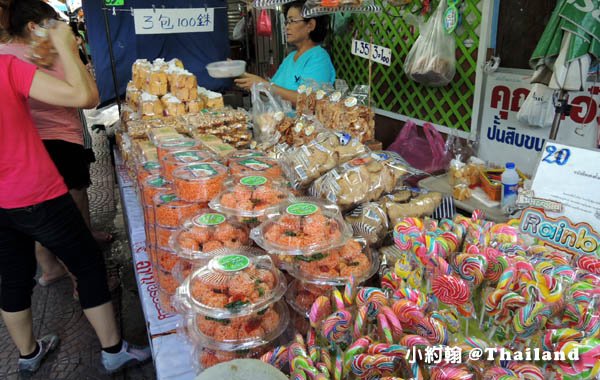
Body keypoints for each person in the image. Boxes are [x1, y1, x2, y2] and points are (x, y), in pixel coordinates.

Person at [0, 11, 151, 377]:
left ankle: (28, 353)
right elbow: (85, 96)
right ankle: (113, 351)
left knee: (13, 275)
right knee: (86, 263)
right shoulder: (7, 66)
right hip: (34, 188)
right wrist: (66, 44)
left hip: (3, 200)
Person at [0, 0, 113, 290]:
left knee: (48, 212)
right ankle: (81, 285)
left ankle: (51, 267)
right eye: (54, 25)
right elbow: (89, 96)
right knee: (69, 209)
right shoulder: (39, 56)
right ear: (34, 27)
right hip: (59, 139)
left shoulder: (5, 55)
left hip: (27, 148)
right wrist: (70, 51)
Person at [235, 0, 335, 105]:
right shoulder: (290, 57)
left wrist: (263, 84)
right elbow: (272, 91)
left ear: (310, 25)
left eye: (292, 21)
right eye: (287, 22)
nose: (286, 27)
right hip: (280, 119)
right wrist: (243, 76)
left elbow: (309, 100)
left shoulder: (319, 58)